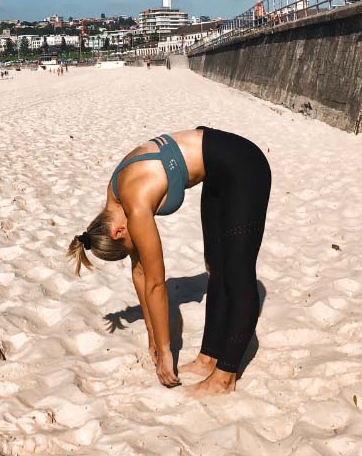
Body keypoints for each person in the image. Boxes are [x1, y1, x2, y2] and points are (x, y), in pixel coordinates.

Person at [68, 128, 271, 395]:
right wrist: (153, 337)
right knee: (217, 268)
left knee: (238, 274)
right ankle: (208, 358)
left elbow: (155, 284)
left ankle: (225, 376)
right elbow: (139, 274)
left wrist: (165, 352)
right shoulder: (115, 195)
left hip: (244, 164)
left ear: (118, 232)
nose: (136, 248)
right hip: (216, 173)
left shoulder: (136, 204)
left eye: (131, 246)